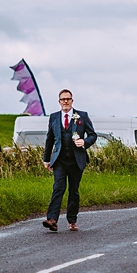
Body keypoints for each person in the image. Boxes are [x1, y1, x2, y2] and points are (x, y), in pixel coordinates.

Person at [42, 89, 97, 232]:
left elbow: (93, 135)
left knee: (74, 190)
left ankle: (72, 220)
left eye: (68, 99)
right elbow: (50, 139)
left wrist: (84, 142)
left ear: (72, 101)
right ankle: (52, 219)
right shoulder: (54, 117)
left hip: (76, 160)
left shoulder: (82, 116)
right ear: (59, 102)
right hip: (60, 160)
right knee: (58, 188)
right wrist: (46, 159)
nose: (65, 101)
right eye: (62, 99)